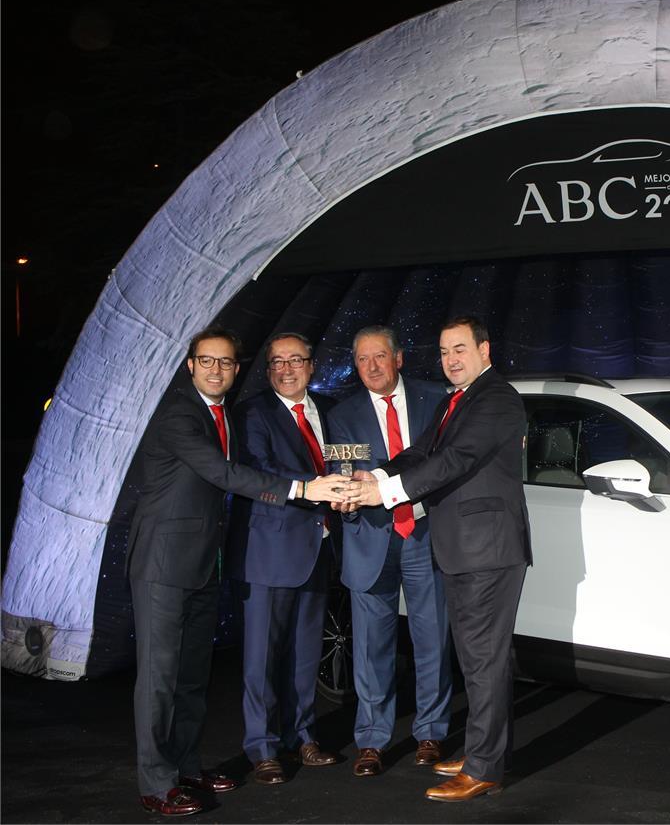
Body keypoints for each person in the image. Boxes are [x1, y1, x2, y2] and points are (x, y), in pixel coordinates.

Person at [127, 328, 347, 816]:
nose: (216, 371)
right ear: (190, 365)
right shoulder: (179, 414)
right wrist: (302, 490)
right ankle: (157, 784)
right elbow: (225, 474)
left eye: (226, 363)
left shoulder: (221, 413)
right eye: (207, 362)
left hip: (205, 563)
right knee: (159, 679)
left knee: (189, 677)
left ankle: (186, 765)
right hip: (163, 565)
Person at [342, 315, 531, 803]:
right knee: (477, 660)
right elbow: (418, 452)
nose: (451, 360)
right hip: (465, 549)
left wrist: (386, 492)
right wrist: (375, 478)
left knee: (484, 661)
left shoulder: (496, 399)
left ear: (485, 351)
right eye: (445, 351)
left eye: (460, 350)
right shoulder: (456, 401)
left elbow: (455, 461)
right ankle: (481, 753)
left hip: (487, 549)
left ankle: (485, 768)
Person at [325, 326, 453, 777]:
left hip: (424, 534)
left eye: (379, 356)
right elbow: (340, 469)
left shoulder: (435, 398)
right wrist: (341, 493)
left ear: (398, 358)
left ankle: (432, 731)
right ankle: (372, 740)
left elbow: (445, 463)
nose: (371, 367)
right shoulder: (341, 415)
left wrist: (381, 479)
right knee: (371, 646)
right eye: (362, 359)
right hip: (370, 538)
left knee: (432, 639)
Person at [226, 333, 339, 785]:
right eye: (277, 362)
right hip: (268, 552)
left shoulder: (328, 411)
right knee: (262, 657)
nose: (287, 368)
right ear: (267, 369)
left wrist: (349, 491)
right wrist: (316, 486)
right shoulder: (253, 413)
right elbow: (258, 473)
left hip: (318, 547)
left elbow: (343, 468)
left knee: (305, 653)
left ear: (312, 366)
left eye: (296, 360)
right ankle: (262, 746)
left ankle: (302, 735)